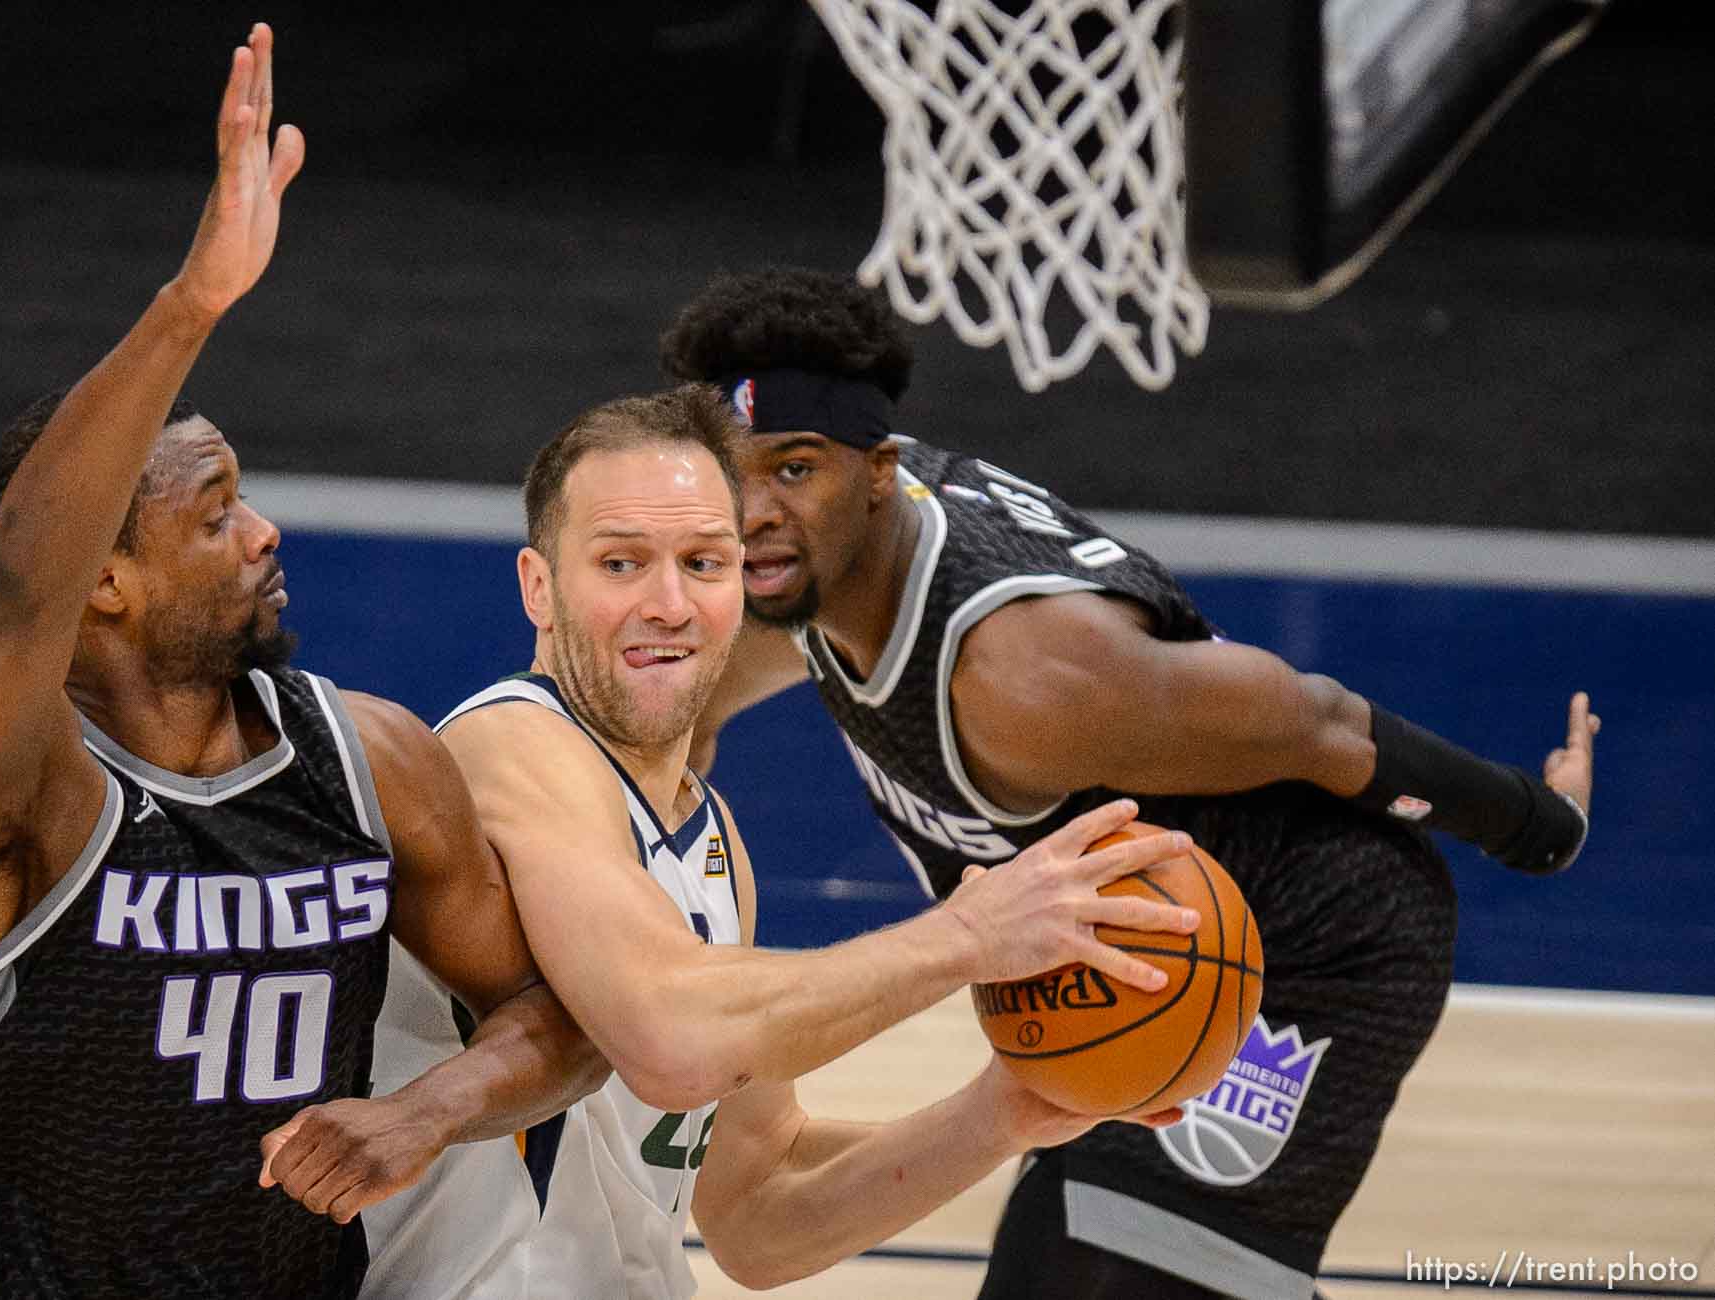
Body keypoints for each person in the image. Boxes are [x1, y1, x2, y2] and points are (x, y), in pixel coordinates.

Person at [658, 267, 1599, 1300]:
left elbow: (1318, 723)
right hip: (1135, 951)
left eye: (793, 469)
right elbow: (683, 707)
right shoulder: (800, 555)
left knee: (1105, 1268)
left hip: (1299, 945)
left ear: (879, 471)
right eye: (725, 474)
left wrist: (1535, 822)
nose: (752, 513)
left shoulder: (1031, 674)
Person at [0, 27, 601, 1299]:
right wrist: (192, 304)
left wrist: (427, 1109)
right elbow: (11, 589)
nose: (264, 530)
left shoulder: (370, 757)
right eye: (213, 513)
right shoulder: (25, 792)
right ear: (103, 581)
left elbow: (555, 1021)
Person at [269, 384, 1205, 1297]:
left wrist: (1009, 1112)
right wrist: (967, 938)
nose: (669, 603)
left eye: (705, 563)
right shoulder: (509, 745)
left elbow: (756, 1215)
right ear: (539, 589)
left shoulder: (714, 844)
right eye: (622, 563)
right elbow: (672, 1036)